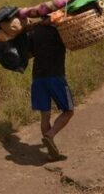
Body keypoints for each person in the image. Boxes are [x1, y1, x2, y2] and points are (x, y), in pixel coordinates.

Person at [27, 21, 74, 160]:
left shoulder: (34, 32)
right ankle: (50, 135)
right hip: (56, 77)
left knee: (45, 115)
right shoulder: (61, 30)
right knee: (69, 111)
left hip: (37, 78)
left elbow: (29, 54)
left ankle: (51, 153)